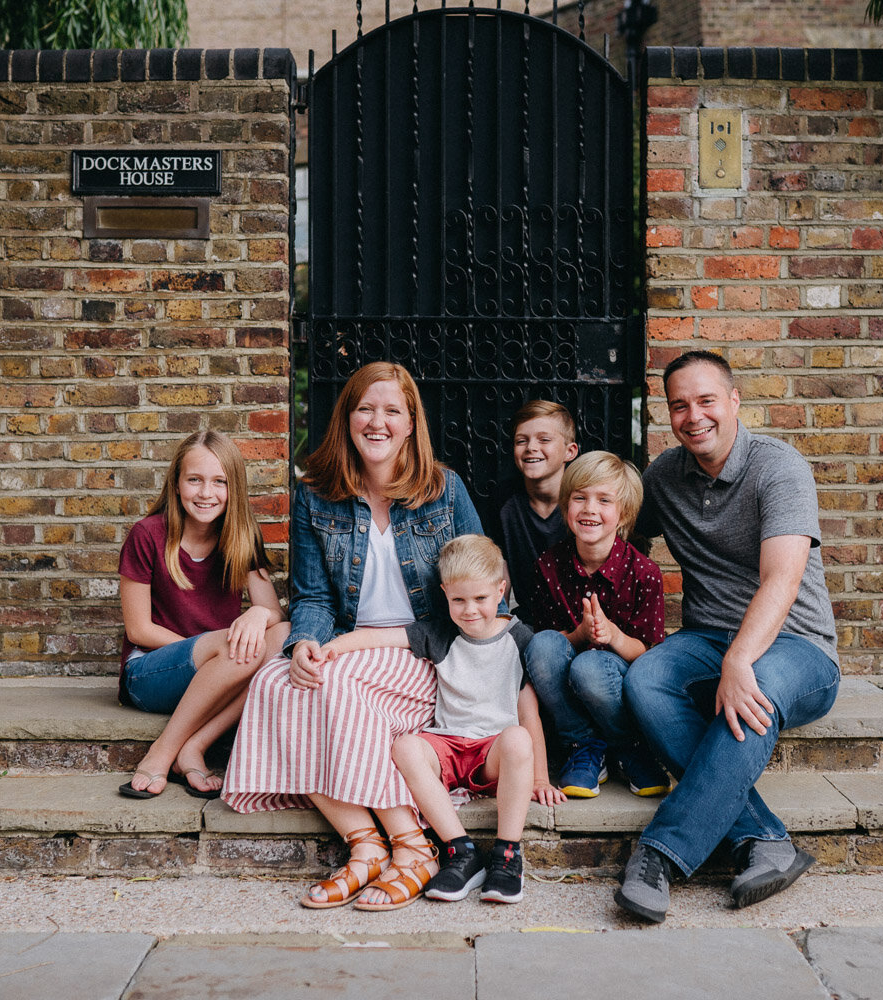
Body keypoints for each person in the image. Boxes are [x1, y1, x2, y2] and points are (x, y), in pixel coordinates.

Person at [221, 361, 485, 910]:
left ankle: (412, 848)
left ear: (411, 423)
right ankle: (364, 846)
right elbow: (314, 598)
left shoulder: (445, 489)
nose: (378, 421)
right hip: (344, 643)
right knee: (276, 683)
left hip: (423, 650)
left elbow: (480, 589)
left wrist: (350, 647)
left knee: (337, 686)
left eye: (393, 411)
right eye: (366, 408)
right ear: (347, 417)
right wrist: (306, 643)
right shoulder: (318, 494)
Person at [614, 350, 840, 923]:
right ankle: (763, 838)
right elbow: (615, 541)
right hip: (709, 637)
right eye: (680, 405)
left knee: (753, 686)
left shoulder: (778, 467)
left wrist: (740, 661)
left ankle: (660, 855)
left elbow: (782, 578)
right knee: (645, 679)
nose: (694, 417)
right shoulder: (665, 476)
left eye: (707, 401)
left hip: (797, 647)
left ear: (734, 402)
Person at [319, 534, 564, 908]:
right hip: (447, 746)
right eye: (458, 600)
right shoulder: (439, 633)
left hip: (492, 752)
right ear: (445, 593)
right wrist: (334, 647)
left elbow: (528, 712)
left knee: (517, 738)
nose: (470, 610)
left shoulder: (519, 638)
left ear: (501, 590)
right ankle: (460, 852)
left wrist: (541, 778)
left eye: (481, 599)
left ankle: (507, 856)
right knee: (405, 746)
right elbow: (382, 637)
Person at [116, 430, 288, 799]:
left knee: (283, 635)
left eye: (219, 482)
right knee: (236, 647)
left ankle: (195, 745)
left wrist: (258, 614)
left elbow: (273, 612)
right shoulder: (147, 535)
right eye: (194, 480)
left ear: (233, 488)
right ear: (176, 484)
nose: (206, 493)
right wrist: (211, 654)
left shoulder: (241, 536)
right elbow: (139, 628)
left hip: (219, 671)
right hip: (149, 672)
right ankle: (161, 751)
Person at [521, 451, 669, 799]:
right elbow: (550, 645)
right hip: (566, 685)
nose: (589, 509)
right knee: (538, 646)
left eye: (604, 500)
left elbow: (647, 653)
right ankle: (584, 744)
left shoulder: (643, 573)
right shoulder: (549, 565)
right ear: (565, 507)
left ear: (623, 515)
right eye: (579, 498)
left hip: (613, 679)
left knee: (590, 665)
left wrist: (613, 636)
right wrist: (581, 635)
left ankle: (628, 745)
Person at [480, 400, 579, 623]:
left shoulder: (583, 502)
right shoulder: (503, 502)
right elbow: (498, 573)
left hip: (582, 620)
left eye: (544, 439)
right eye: (521, 441)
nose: (531, 447)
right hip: (529, 620)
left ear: (570, 451)